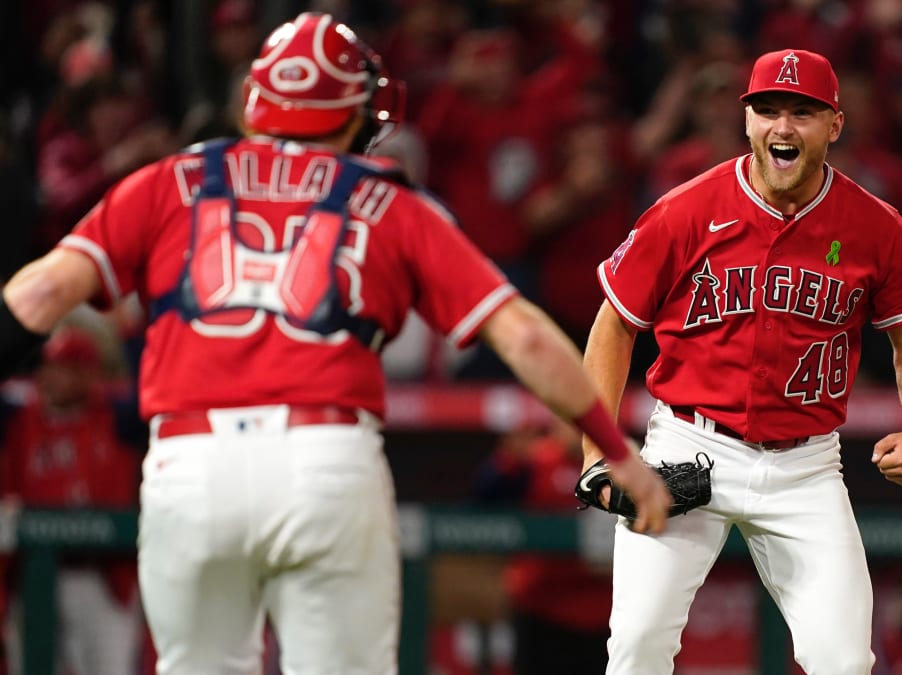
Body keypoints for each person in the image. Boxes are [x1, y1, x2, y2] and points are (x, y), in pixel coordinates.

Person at [0, 12, 671, 674]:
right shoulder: (390, 200)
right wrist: (614, 450)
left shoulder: (168, 180)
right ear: (353, 110)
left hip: (190, 461)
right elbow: (522, 334)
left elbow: (35, 297)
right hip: (323, 459)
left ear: (254, 101)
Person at [582, 49, 902, 675]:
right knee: (638, 643)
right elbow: (612, 329)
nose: (783, 127)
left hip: (805, 466)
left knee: (843, 660)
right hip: (685, 448)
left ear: (835, 124)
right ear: (746, 120)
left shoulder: (877, 228)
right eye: (768, 110)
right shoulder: (686, 210)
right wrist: (599, 456)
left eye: (802, 113)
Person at [0, 326, 142, 675]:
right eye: (52, 365)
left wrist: (131, 331)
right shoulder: (18, 413)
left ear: (90, 374)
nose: (57, 376)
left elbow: (147, 396)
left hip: (102, 575)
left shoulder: (117, 414)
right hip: (31, 575)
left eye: (71, 368)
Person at [473, 420, 611, 675]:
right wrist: (506, 462)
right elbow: (484, 499)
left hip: (603, 615)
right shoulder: (536, 461)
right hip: (542, 612)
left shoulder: (622, 465)